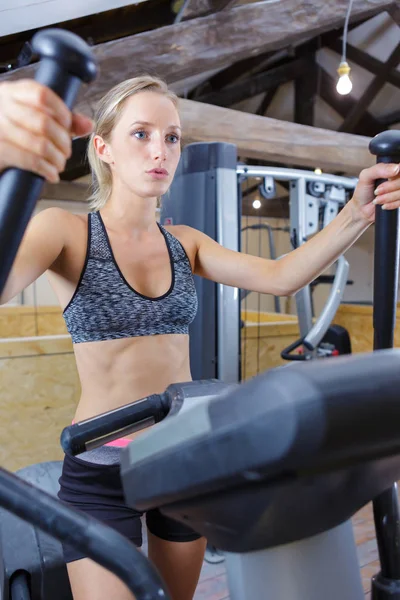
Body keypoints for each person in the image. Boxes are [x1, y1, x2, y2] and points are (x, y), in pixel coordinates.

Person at [0, 75, 399, 600]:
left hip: (178, 457)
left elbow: (281, 275)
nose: (159, 150)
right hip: (100, 466)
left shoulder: (184, 244)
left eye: (171, 137)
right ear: (104, 148)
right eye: (140, 134)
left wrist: (358, 211)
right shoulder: (65, 232)